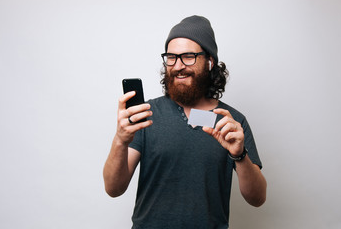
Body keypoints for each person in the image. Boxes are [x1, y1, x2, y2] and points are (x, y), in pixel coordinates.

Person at [103, 15, 267, 229]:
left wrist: (239, 155)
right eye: (171, 57)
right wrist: (120, 140)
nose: (178, 65)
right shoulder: (146, 113)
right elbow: (113, 189)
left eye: (188, 56)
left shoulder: (231, 122)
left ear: (209, 62)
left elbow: (258, 198)